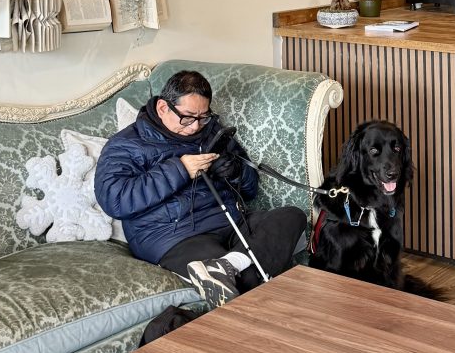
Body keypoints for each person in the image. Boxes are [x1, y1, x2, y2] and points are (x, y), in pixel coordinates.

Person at [94, 70, 307, 308]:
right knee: (248, 277)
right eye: (187, 117)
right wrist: (180, 169)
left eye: (203, 117)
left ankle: (231, 263)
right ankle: (239, 273)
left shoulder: (211, 131)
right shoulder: (126, 144)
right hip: (173, 236)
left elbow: (250, 190)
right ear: (164, 108)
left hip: (231, 222)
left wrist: (236, 171)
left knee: (292, 217)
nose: (195, 127)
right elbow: (114, 200)